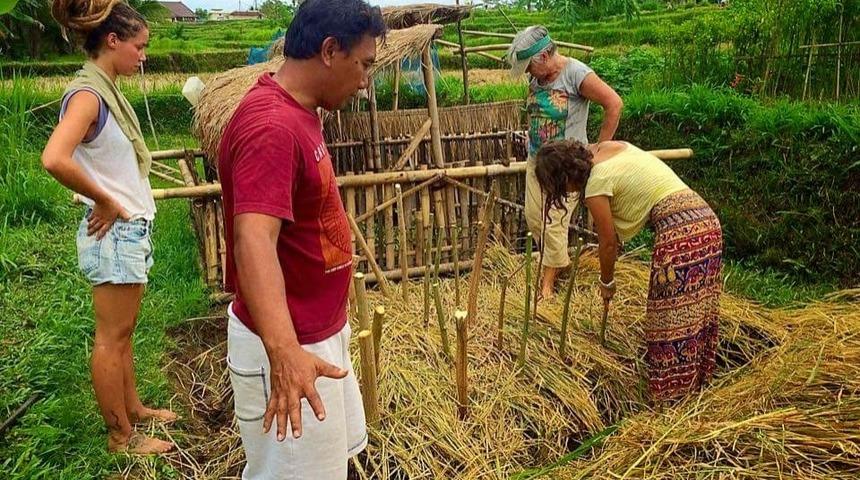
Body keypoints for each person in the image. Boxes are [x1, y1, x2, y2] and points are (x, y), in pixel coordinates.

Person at [216, 0, 385, 477]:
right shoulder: (272, 127)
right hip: (291, 347)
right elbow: (253, 240)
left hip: (313, 337)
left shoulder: (298, 112)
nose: (365, 80)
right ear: (330, 51)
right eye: (364, 64)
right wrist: (286, 354)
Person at [41, 0, 176, 455]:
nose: (143, 56)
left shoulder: (105, 90)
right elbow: (54, 158)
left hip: (127, 230)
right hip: (114, 233)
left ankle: (133, 408)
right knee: (111, 337)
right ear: (113, 41)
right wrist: (103, 199)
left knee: (124, 333)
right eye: (139, 47)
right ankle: (121, 436)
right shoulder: (88, 96)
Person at [534, 140, 723, 402]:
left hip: (681, 234)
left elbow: (608, 243)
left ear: (564, 177)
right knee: (696, 312)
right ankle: (697, 386)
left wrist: (607, 282)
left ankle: (672, 399)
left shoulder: (596, 183)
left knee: (669, 321)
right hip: (706, 221)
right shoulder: (608, 148)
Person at [506, 26, 624, 300]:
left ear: (544, 56)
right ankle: (559, 262)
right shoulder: (536, 78)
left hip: (565, 167)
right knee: (535, 219)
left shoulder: (576, 74)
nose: (527, 72)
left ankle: (547, 285)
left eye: (529, 66)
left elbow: (614, 104)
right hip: (537, 160)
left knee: (554, 221)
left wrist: (599, 149)